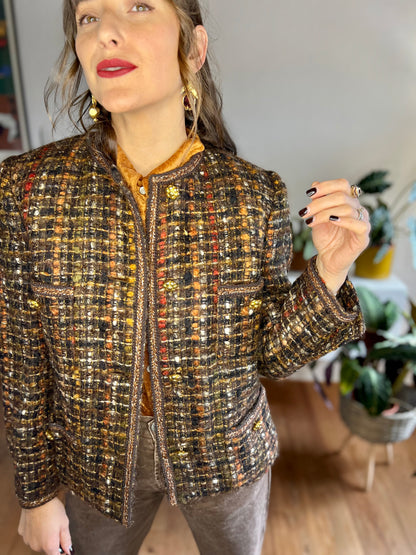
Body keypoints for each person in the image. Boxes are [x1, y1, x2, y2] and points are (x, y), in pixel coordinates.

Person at [0, 1, 370, 554]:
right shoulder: (28, 188)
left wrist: (330, 269)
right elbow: (21, 355)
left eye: (139, 6)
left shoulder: (253, 196)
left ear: (193, 48)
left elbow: (269, 355)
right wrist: (34, 492)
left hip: (226, 457)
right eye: (89, 18)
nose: (107, 33)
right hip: (90, 465)